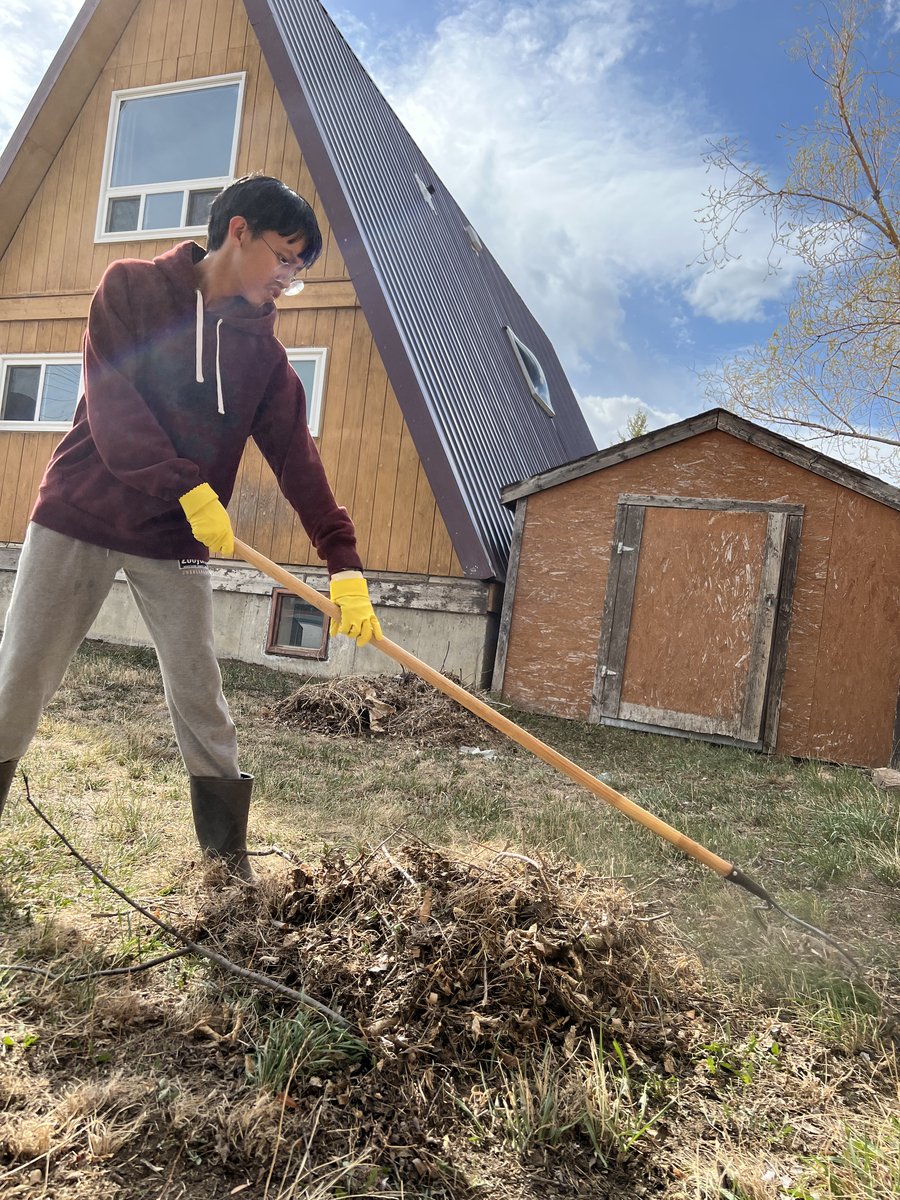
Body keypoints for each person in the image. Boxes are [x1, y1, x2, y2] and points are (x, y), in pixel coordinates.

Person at [0, 173, 382, 881]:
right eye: (287, 258)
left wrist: (344, 563)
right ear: (238, 231)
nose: (291, 279)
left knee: (200, 691)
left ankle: (225, 864)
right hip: (80, 515)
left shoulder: (264, 359)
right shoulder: (131, 289)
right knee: (21, 676)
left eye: (301, 270)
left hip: (175, 544)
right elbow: (115, 412)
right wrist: (190, 489)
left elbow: (299, 460)